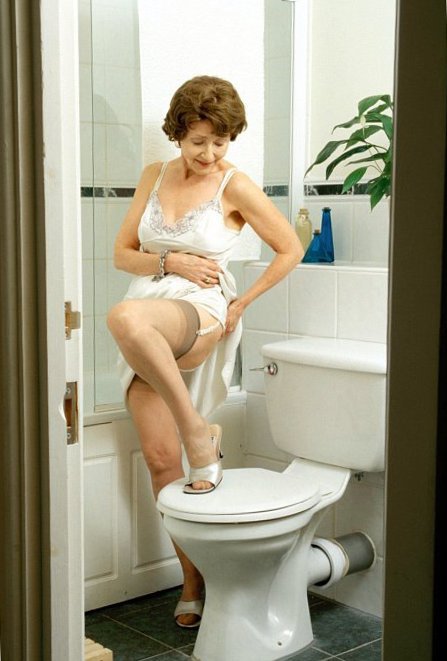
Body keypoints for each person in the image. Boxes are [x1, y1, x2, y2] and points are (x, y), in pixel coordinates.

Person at [107, 75, 303, 628]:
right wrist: (168, 261)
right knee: (161, 462)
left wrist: (243, 303)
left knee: (122, 316)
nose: (210, 153)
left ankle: (197, 430)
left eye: (221, 141)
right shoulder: (154, 175)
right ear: (177, 133)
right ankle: (192, 581)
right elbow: (122, 255)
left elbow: (290, 247)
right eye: (198, 141)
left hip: (199, 313)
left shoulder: (234, 185)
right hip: (148, 321)